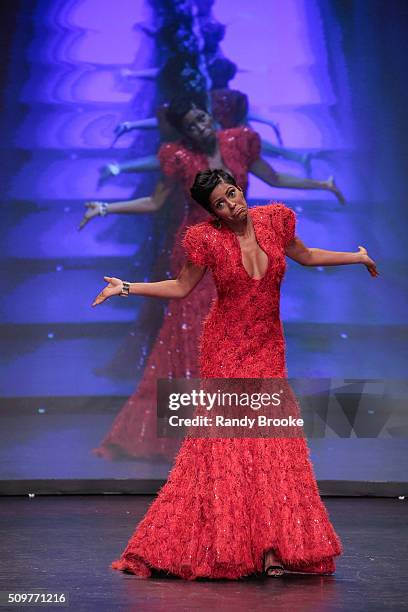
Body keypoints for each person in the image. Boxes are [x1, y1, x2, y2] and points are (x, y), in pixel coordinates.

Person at [91, 169, 378, 579]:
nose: (231, 206)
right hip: (225, 353)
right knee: (231, 450)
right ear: (213, 213)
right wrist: (126, 288)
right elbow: (181, 286)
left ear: (240, 189)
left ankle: (273, 547)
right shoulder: (206, 239)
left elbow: (308, 255)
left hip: (267, 350)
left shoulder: (276, 221)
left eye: (231, 194)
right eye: (220, 205)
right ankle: (245, 547)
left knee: (272, 448)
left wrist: (357, 257)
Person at [82, 96, 345, 462]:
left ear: (210, 117)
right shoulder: (179, 157)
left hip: (240, 247)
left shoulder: (240, 141)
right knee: (189, 336)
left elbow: (275, 177)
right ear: (185, 133)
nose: (201, 128)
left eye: (202, 120)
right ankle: (190, 434)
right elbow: (156, 202)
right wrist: (106, 207)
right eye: (192, 126)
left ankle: (235, 429)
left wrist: (321, 185)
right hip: (200, 248)